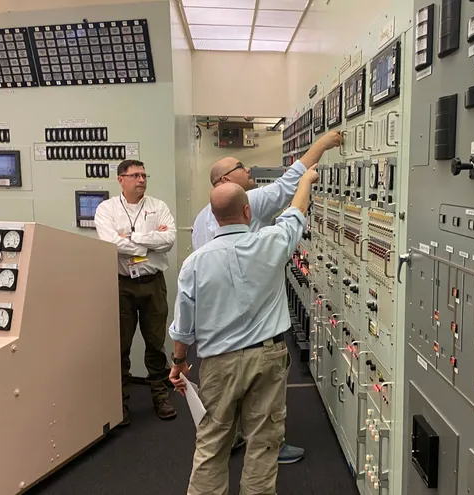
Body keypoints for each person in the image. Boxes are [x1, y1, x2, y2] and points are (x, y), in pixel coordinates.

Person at [190, 129, 342, 463]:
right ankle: (269, 445)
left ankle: (230, 439)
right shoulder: (250, 200)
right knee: (262, 395)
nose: (250, 172)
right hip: (254, 329)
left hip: (216, 333)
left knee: (222, 404)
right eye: (243, 167)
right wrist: (322, 145)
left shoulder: (204, 218)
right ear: (227, 180)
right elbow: (290, 187)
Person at [168, 168, 319, 495]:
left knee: (212, 443)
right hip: (268, 357)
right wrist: (306, 179)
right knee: (264, 443)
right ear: (248, 212)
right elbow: (296, 211)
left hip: (218, 362)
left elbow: (183, 326)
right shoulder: (272, 242)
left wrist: (178, 362)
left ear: (213, 217)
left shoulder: (194, 263)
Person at [95, 159, 177, 425]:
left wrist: (131, 239)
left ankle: (160, 396)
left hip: (153, 282)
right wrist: (148, 241)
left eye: (144, 175)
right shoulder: (106, 209)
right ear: (121, 179)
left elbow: (169, 239)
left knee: (155, 342)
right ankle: (121, 402)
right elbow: (110, 242)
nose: (141, 180)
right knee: (121, 344)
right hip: (122, 285)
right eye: (135, 175)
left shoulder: (158, 206)